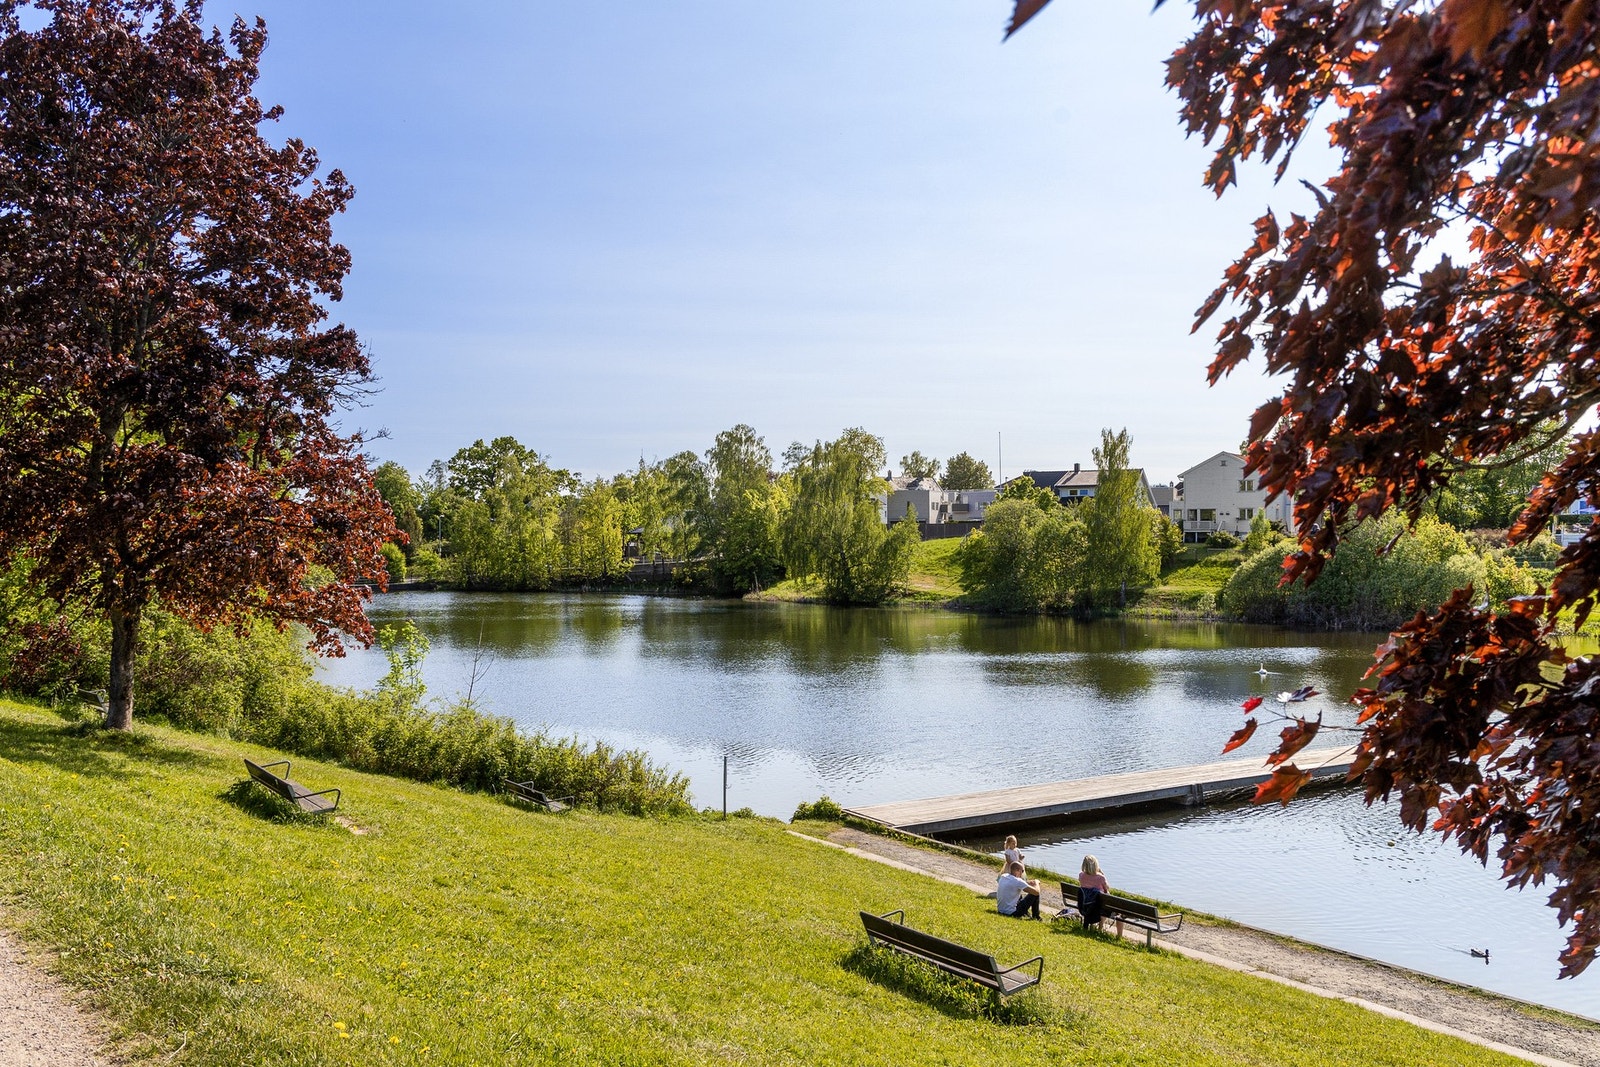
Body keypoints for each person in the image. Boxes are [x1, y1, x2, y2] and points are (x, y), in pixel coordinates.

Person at [1078, 854, 1122, 937]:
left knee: (1101, 905)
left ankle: (1100, 928)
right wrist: (1102, 874)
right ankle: (1119, 937)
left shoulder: (1081, 876)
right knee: (1119, 914)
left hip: (1087, 905)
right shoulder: (1101, 877)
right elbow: (1107, 889)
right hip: (1099, 906)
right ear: (1096, 865)